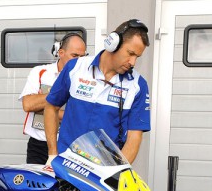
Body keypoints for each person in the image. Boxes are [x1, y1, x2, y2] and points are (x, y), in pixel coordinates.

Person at [43, 19, 151, 164]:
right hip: (66, 166)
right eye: (130, 53)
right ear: (113, 44)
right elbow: (51, 106)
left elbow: (134, 137)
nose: (133, 62)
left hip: (103, 172)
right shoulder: (75, 68)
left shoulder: (138, 85)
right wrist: (52, 155)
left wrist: (116, 173)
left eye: (137, 56)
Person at [19, 33, 86, 164]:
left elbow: (80, 116)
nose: (79, 61)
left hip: (69, 147)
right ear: (61, 53)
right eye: (75, 56)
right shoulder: (40, 72)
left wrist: (43, 106)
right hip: (39, 146)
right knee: (36, 184)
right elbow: (28, 105)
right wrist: (61, 97)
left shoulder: (85, 79)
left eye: (83, 57)